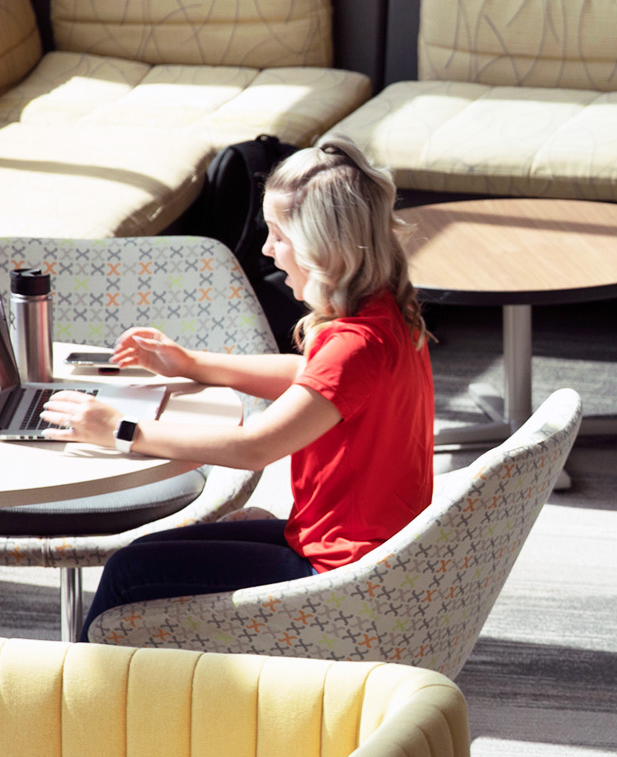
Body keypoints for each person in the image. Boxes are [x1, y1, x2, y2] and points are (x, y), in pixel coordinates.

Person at [41, 136, 436, 635]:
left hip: (342, 575)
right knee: (140, 554)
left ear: (322, 245)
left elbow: (255, 447)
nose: (268, 250)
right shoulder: (386, 314)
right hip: (369, 554)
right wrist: (191, 363)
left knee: (128, 572)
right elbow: (313, 381)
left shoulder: (354, 345)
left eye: (278, 234)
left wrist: (118, 430)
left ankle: (80, 704)